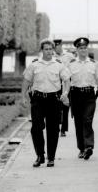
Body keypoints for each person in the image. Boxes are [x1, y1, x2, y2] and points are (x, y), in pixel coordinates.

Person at [21, 39, 71, 167]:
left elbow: (66, 80)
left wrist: (65, 93)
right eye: (46, 49)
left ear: (53, 50)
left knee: (53, 129)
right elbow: (26, 81)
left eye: (50, 49)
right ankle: (40, 155)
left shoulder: (59, 64)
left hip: (54, 100)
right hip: (38, 99)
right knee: (36, 128)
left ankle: (51, 157)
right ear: (42, 50)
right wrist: (23, 96)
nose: (48, 51)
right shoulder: (34, 64)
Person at [67, 37, 98, 160]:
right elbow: (66, 81)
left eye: (85, 47)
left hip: (89, 95)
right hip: (75, 95)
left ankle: (89, 146)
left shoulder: (94, 64)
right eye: (81, 48)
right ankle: (81, 148)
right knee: (78, 122)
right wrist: (65, 94)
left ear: (87, 48)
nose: (83, 50)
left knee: (87, 120)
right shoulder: (71, 64)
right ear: (77, 50)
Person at [54, 39, 74, 137]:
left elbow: (74, 66)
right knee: (56, 107)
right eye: (56, 46)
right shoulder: (52, 56)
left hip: (67, 83)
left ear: (61, 46)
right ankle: (56, 126)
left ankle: (63, 129)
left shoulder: (69, 56)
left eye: (59, 46)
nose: (57, 47)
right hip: (56, 83)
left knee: (65, 106)